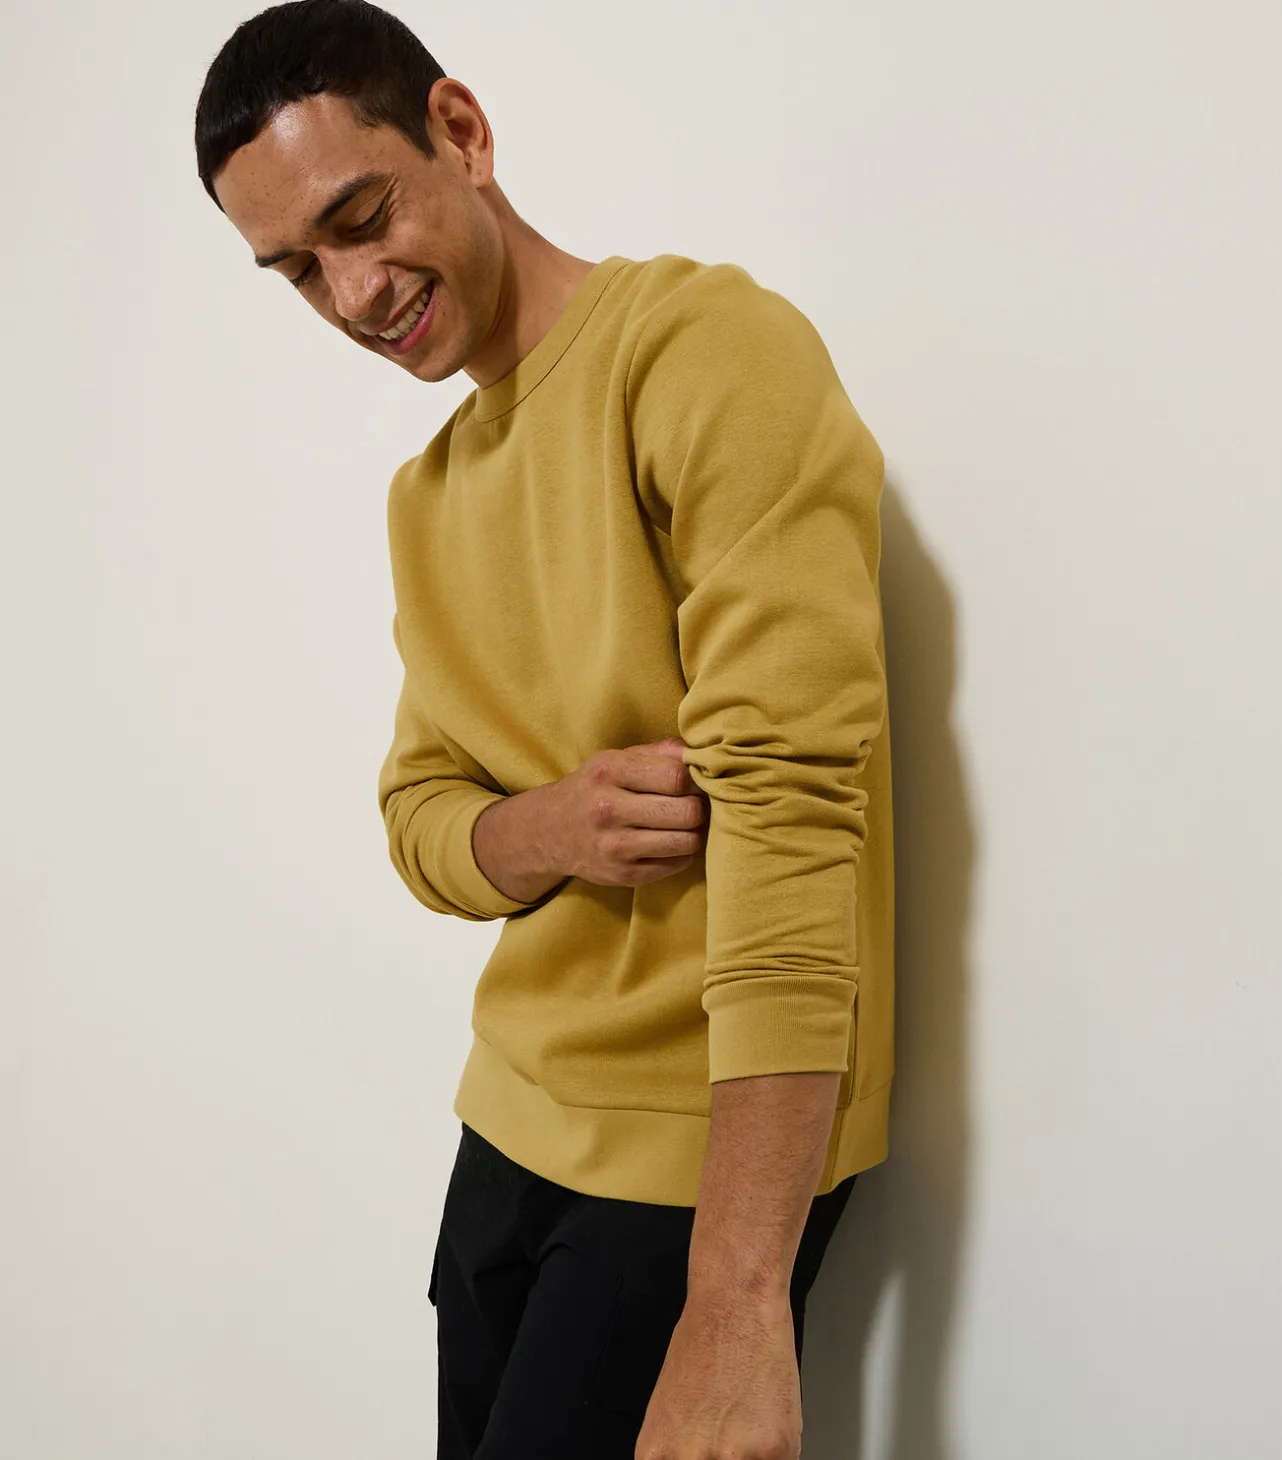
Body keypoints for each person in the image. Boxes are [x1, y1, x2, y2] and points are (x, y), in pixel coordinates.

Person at [194, 2, 895, 1454]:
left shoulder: (706, 351)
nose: (353, 294)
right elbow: (420, 820)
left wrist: (738, 1297)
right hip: (506, 1130)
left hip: (695, 1160)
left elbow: (794, 815)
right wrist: (553, 826)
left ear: (460, 131)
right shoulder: (428, 496)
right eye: (299, 271)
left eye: (361, 218)